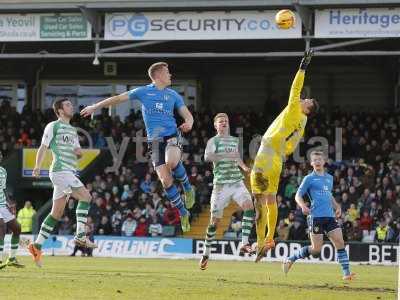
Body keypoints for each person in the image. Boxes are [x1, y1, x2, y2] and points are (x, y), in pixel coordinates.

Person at [81, 62, 195, 232]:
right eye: (167, 72)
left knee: (171, 162)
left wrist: (189, 123)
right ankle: (183, 212)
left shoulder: (173, 95)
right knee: (165, 180)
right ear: (157, 76)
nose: (171, 75)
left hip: (172, 136)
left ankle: (187, 188)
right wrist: (95, 107)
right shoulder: (143, 92)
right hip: (154, 142)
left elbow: (187, 115)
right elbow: (118, 98)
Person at [251, 49, 319, 262]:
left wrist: (302, 67)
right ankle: (270, 238)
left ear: (307, 109)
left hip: (265, 156)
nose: (303, 98)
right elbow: (293, 144)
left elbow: (295, 88)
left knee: (258, 202)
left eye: (307, 101)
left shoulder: (294, 111)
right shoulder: (303, 122)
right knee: (271, 200)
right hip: (278, 160)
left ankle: (261, 242)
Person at [28, 98, 96, 267]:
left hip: (68, 171)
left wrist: (79, 153)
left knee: (56, 214)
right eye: (67, 105)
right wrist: (37, 166)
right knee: (86, 197)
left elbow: (77, 151)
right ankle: (81, 235)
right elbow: (44, 147)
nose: (71, 107)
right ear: (59, 110)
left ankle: (36, 246)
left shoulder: (73, 130)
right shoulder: (53, 126)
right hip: (60, 170)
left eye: (71, 105)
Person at [282, 150, 355, 281]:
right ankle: (291, 258)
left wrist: (337, 206)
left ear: (324, 161)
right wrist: (303, 206)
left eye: (319, 159)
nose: (317, 162)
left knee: (340, 241)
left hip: (330, 216)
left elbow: (329, 195)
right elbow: (297, 195)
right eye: (314, 160)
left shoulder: (329, 178)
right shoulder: (309, 178)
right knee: (316, 249)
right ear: (311, 163)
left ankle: (346, 273)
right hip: (316, 217)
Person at [199, 113, 255, 270]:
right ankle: (206, 253)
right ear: (216, 126)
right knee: (214, 223)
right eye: (221, 121)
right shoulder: (213, 141)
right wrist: (223, 155)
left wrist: (244, 167)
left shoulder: (234, 140)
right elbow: (207, 157)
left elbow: (236, 156)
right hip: (221, 186)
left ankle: (244, 243)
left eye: (226, 121)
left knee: (249, 207)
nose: (224, 123)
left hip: (236, 182)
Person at [0, 152, 24, 269]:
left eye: (0, 155)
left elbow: (3, 189)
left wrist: (9, 202)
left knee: (17, 228)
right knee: (2, 227)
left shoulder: (3, 171)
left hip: (3, 204)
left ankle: (12, 258)